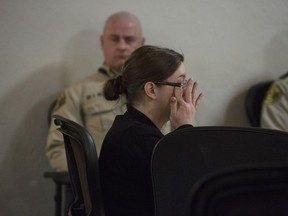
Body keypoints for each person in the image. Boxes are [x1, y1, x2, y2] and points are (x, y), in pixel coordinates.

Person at [46, 11, 145, 215]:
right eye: (114, 39)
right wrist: (95, 175)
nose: (122, 46)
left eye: (129, 39)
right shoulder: (78, 92)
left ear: (142, 43)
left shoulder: (157, 90)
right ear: (102, 42)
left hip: (155, 191)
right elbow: (58, 150)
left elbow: (182, 143)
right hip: (102, 196)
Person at [99, 45, 203, 216]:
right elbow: (196, 188)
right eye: (179, 84)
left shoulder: (131, 128)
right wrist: (186, 128)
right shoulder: (140, 140)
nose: (185, 92)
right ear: (152, 90)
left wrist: (181, 130)